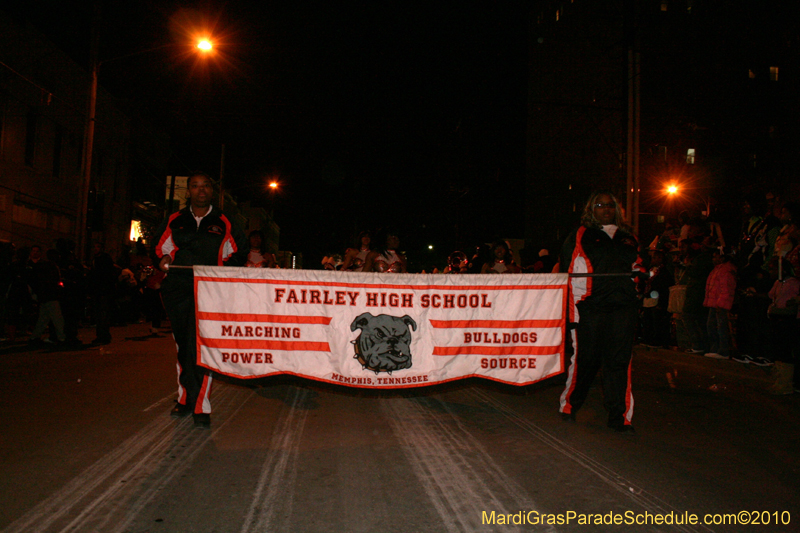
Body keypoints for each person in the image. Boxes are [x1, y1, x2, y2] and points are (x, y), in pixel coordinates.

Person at [154, 172, 248, 429]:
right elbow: (160, 248)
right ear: (189, 193)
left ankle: (200, 406)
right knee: (183, 346)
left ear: (212, 191)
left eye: (205, 185)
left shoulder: (224, 221)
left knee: (202, 346)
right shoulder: (175, 220)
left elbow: (240, 251)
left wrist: (221, 271)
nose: (200, 190)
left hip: (210, 291)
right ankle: (184, 399)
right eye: (195, 186)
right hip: (178, 289)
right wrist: (163, 261)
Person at [559, 191, 644, 433]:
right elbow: (566, 274)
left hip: (622, 308)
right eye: (599, 205)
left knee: (619, 362)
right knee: (586, 361)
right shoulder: (580, 235)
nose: (605, 209)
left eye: (610, 205)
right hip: (590, 309)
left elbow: (638, 265)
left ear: (616, 209)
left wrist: (640, 277)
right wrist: (571, 315)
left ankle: (619, 417)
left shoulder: (628, 237)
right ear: (591, 209)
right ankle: (570, 406)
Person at [702, 249, 737, 359]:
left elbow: (726, 289)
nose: (713, 259)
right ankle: (716, 349)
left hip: (719, 304)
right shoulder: (718, 269)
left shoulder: (725, 270)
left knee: (719, 327)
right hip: (715, 303)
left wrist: (721, 303)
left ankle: (723, 351)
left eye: (715, 257)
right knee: (712, 326)